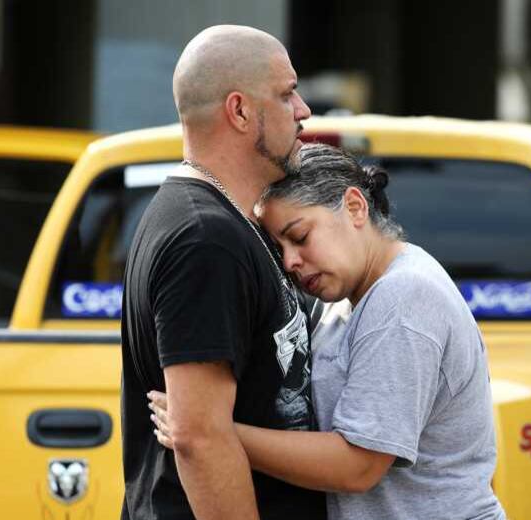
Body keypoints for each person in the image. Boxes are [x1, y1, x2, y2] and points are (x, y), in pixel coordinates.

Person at [149, 143, 507, 520]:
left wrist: (210, 431)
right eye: (279, 249)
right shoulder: (344, 298)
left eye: (300, 237)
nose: (290, 261)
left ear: (355, 207)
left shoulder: (403, 297)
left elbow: (359, 466)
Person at [120, 25, 326, 520]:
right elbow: (198, 436)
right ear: (239, 111)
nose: (303, 110)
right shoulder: (204, 238)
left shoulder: (227, 223)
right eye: (286, 93)